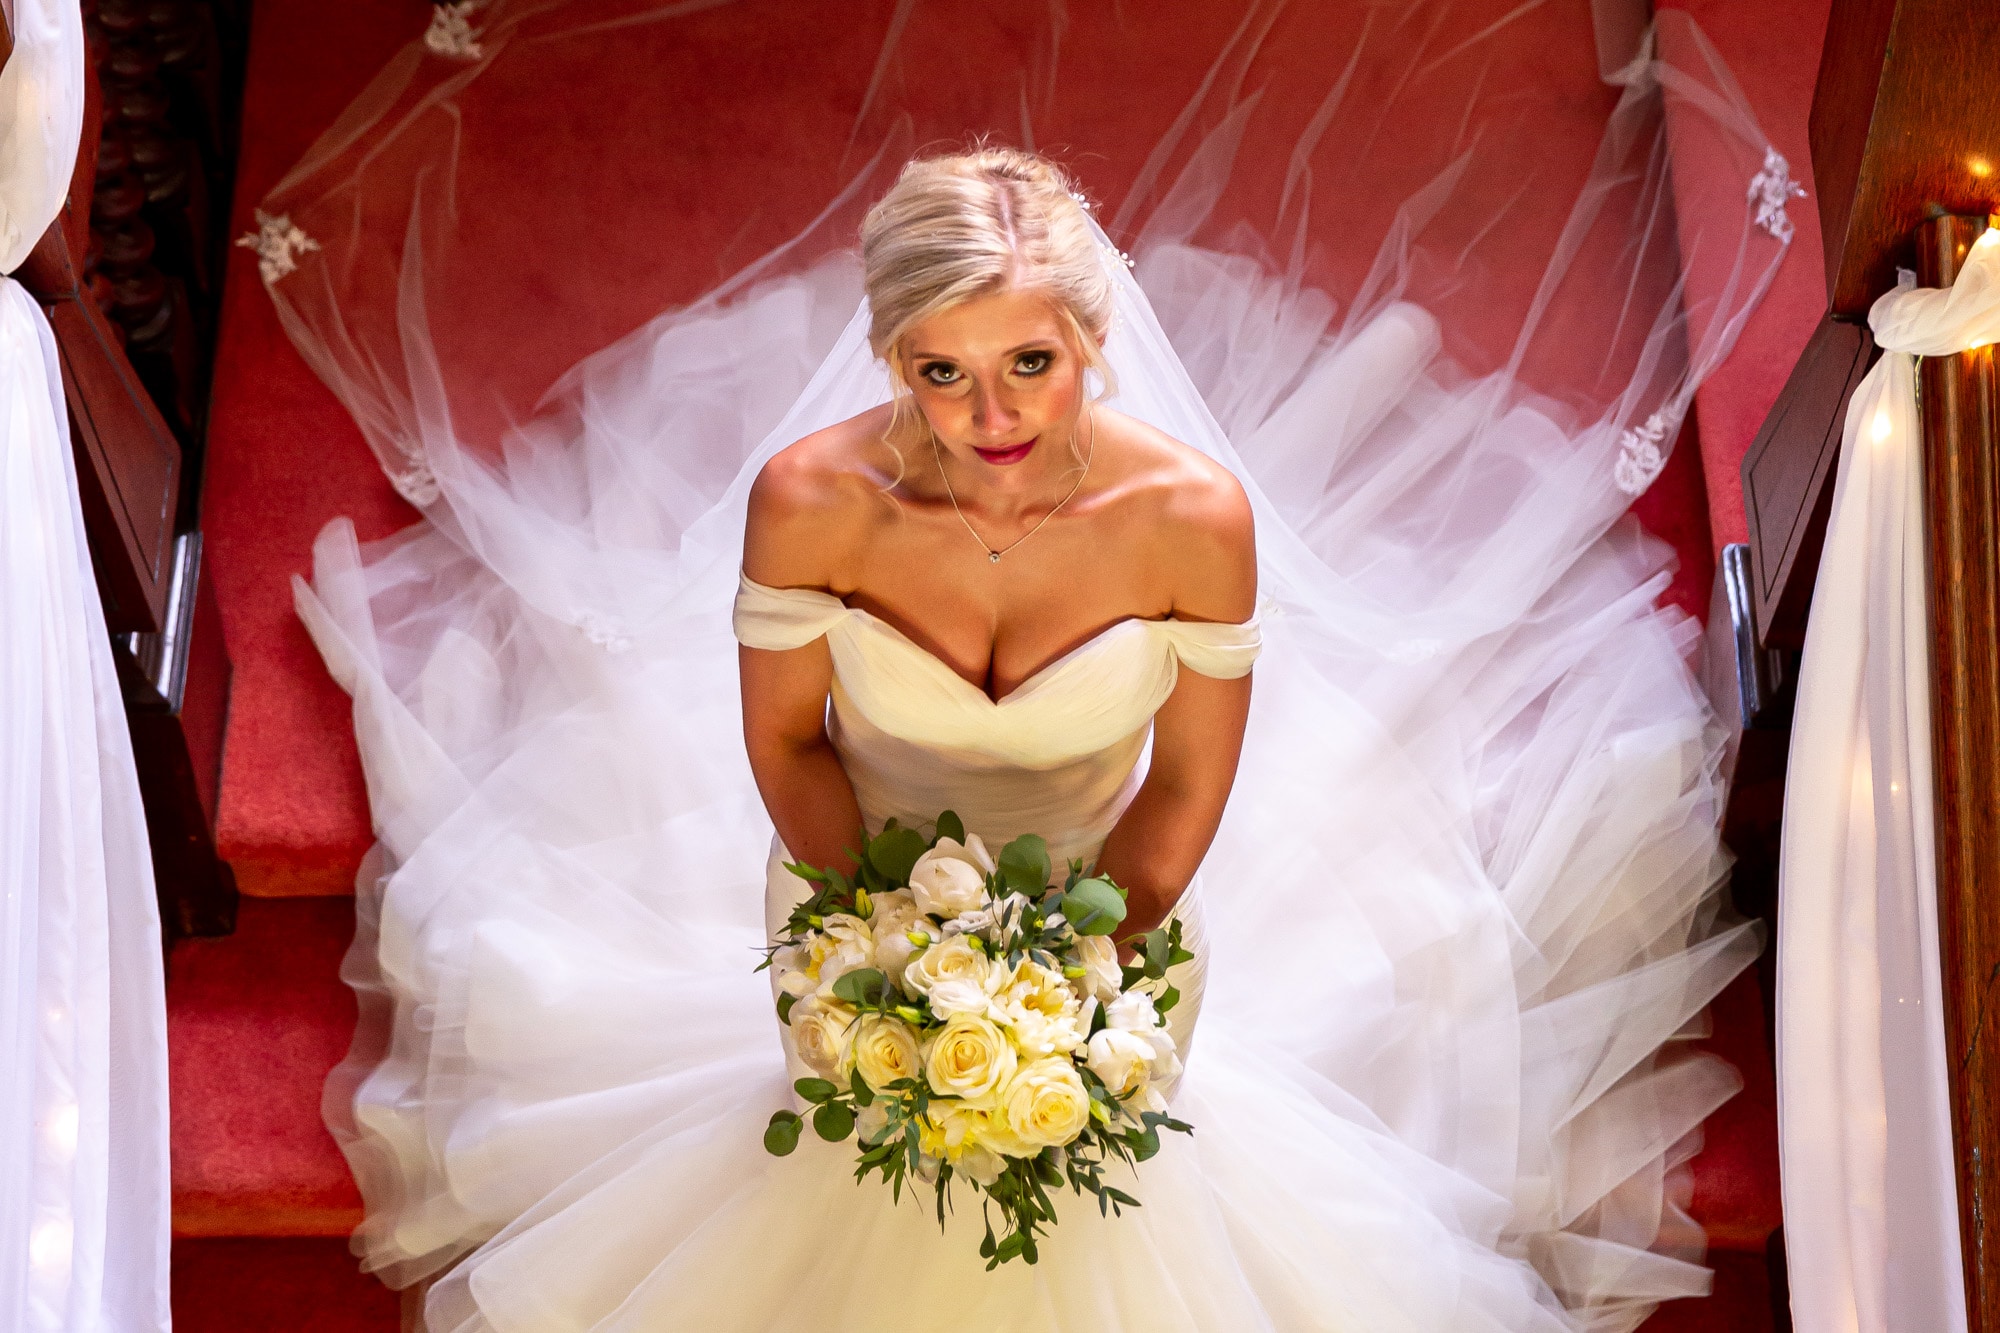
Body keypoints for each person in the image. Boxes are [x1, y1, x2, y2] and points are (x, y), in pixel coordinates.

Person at [296, 136, 1764, 1327]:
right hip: (849, 881)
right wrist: (883, 956)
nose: (986, 416)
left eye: (1029, 365)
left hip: (1113, 909)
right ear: (890, 357)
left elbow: (1184, 785)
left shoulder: (1193, 520)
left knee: (1090, 1184)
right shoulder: (810, 501)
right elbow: (792, 748)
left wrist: (1062, 983)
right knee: (867, 1159)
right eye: (940, 370)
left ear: (1092, 339)